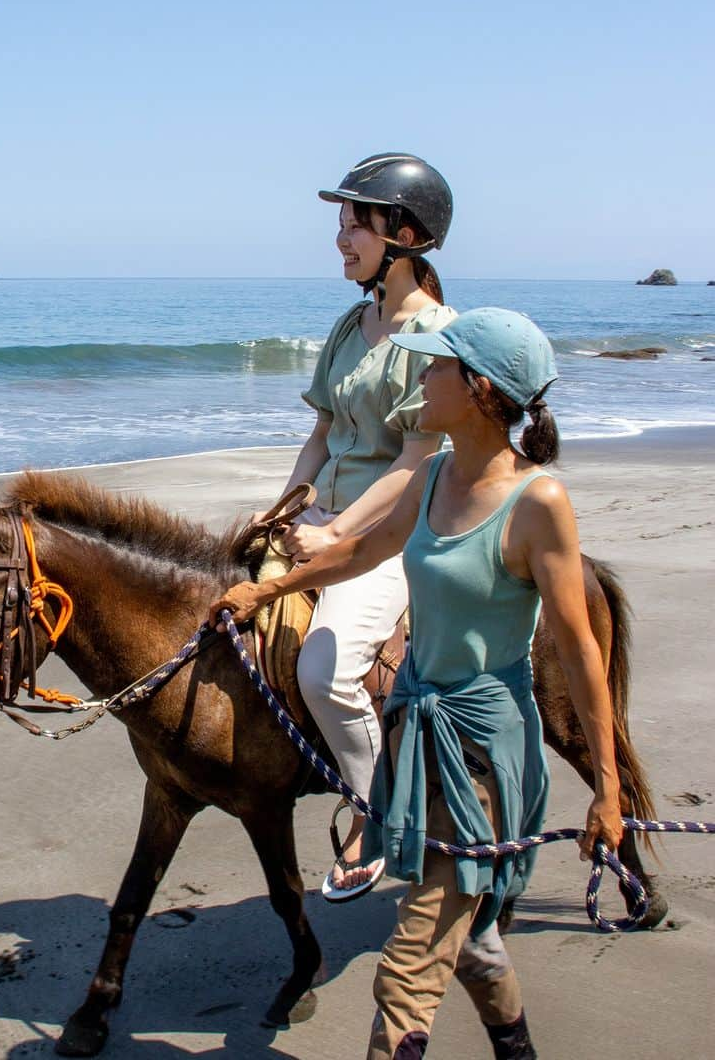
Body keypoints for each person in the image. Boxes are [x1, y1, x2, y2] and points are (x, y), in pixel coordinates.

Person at [210, 308, 624, 1059]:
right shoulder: (435, 473)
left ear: (480, 388)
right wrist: (267, 593)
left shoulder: (538, 504)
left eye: (437, 368)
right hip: (417, 735)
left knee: (407, 968)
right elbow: (363, 552)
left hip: (483, 756)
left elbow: (581, 651)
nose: (423, 379)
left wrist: (609, 787)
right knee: (472, 943)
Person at [275, 153, 457, 900]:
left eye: (355, 222)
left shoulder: (438, 335)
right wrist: (284, 504)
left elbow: (415, 462)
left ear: (404, 232)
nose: (342, 238)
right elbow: (321, 436)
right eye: (341, 223)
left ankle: (370, 809)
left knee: (323, 670)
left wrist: (337, 534)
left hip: (389, 535)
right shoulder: (351, 324)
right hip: (324, 516)